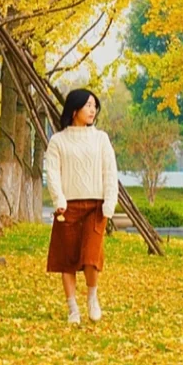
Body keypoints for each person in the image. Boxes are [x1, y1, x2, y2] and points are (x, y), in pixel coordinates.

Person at [44, 88, 119, 325]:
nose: (92, 109)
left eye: (94, 105)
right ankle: (72, 308)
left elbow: (110, 171)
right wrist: (59, 200)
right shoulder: (58, 141)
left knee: (91, 257)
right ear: (74, 109)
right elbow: (52, 173)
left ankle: (92, 298)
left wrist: (110, 202)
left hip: (95, 207)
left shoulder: (101, 139)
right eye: (87, 105)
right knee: (67, 259)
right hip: (67, 207)